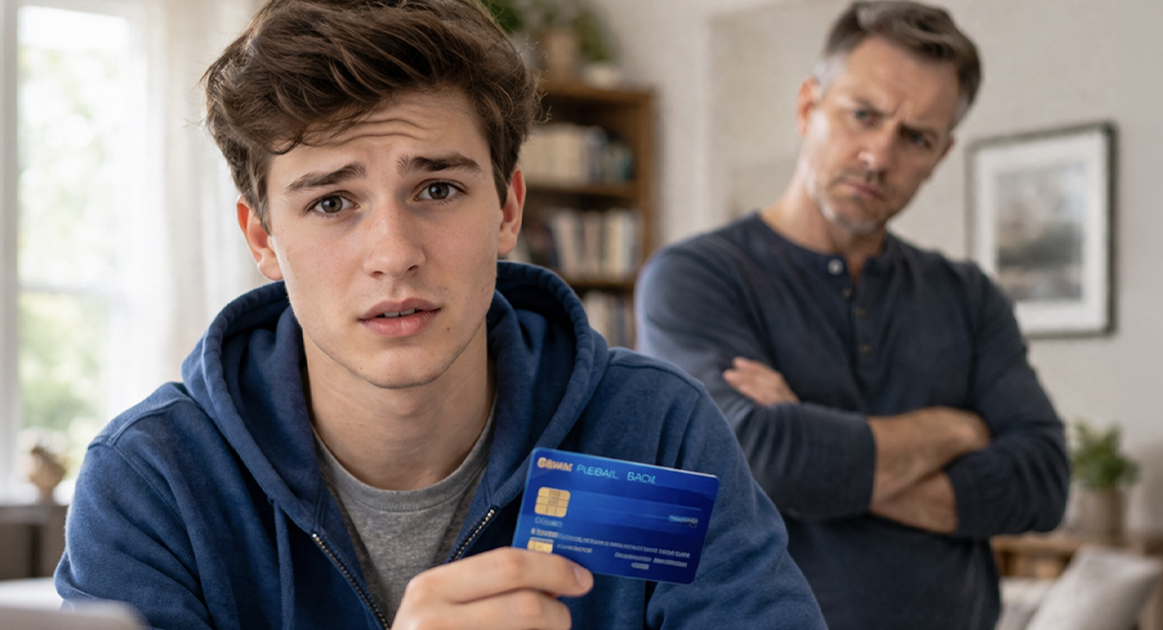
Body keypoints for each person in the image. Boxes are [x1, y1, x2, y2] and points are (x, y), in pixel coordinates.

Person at [53, 1, 827, 628]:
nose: (394, 253)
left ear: (507, 209)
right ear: (263, 239)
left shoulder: (651, 437)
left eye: (437, 189)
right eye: (332, 202)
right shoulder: (155, 481)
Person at [635, 2, 1069, 629]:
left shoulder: (968, 295)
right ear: (807, 106)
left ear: (941, 155)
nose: (878, 155)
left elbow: (1043, 482)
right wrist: (955, 430)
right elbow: (761, 456)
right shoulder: (695, 277)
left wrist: (822, 454)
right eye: (863, 115)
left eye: (916, 137)